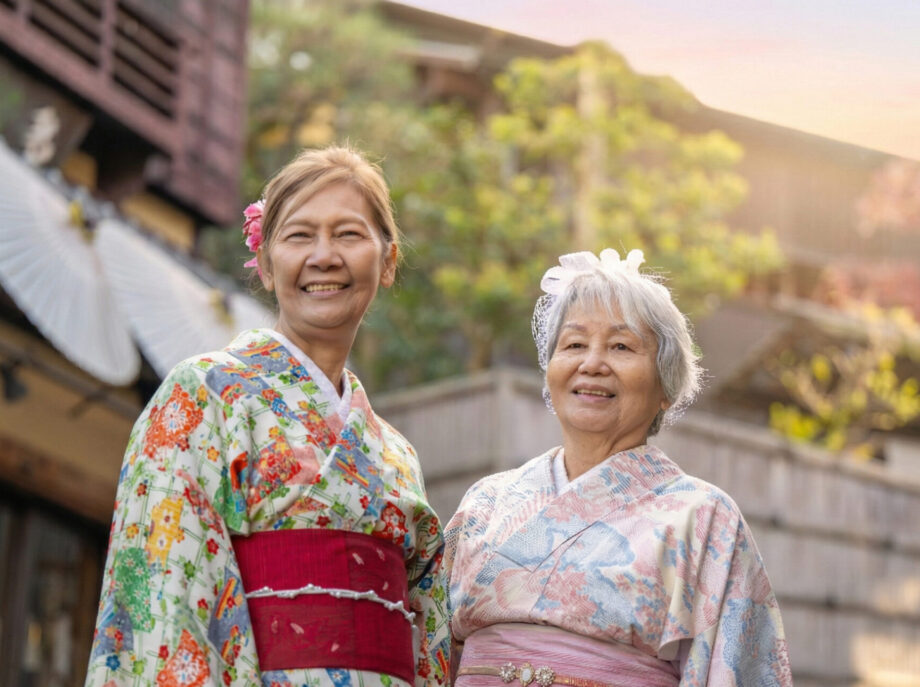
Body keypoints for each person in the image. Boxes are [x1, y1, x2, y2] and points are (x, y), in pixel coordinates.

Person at [85, 147, 450, 687]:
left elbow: (428, 629)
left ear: (388, 260)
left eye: (348, 234)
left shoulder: (397, 454)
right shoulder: (205, 395)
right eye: (299, 236)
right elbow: (163, 592)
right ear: (265, 262)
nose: (324, 256)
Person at [445, 249, 792, 686]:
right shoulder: (485, 502)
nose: (591, 364)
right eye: (574, 344)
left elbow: (735, 671)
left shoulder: (704, 518)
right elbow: (431, 652)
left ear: (666, 386)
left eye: (621, 346)